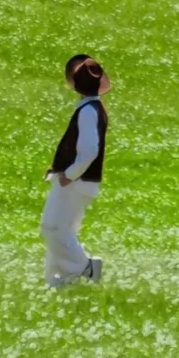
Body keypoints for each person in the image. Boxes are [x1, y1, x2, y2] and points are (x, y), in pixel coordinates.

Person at [40, 54, 111, 288]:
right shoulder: (91, 108)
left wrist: (69, 175)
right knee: (62, 231)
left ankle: (85, 268)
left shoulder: (88, 111)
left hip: (76, 181)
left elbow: (90, 150)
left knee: (53, 228)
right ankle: (58, 281)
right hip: (80, 181)